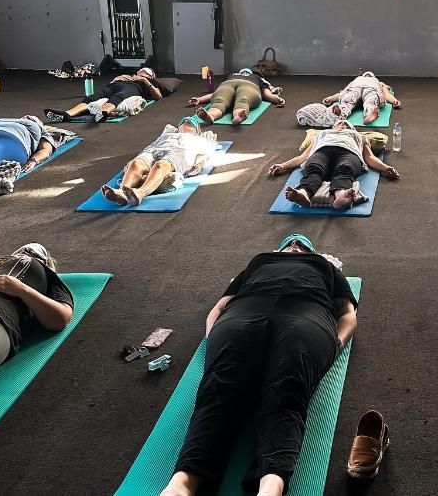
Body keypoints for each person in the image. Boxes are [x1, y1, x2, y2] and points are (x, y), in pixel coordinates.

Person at [159, 234, 358, 496]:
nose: (296, 244)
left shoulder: (324, 266)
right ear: (281, 248)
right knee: (218, 390)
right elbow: (219, 306)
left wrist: (336, 343)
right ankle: (181, 484)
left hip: (306, 315)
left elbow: (347, 314)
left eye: (302, 244)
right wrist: (213, 335)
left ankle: (270, 486)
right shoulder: (259, 261)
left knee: (286, 393)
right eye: (291, 242)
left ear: (312, 252)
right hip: (244, 314)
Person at [0, 243, 73, 430]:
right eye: (22, 249)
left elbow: (60, 318)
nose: (25, 251)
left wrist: (21, 289)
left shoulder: (44, 275)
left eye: (34, 252)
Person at [267, 120, 399, 210]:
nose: (343, 125)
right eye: (339, 123)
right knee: (313, 168)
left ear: (351, 129)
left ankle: (341, 196)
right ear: (333, 127)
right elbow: (303, 157)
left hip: (349, 153)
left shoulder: (358, 135)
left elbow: (369, 157)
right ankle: (303, 193)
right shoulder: (322, 134)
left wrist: (385, 167)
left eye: (346, 124)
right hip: (322, 152)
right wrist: (283, 166)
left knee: (345, 169)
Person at [101, 117, 219, 207]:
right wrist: (134, 159)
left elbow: (206, 153)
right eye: (184, 120)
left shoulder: (200, 138)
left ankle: (140, 193)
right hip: (156, 149)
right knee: (136, 164)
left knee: (160, 165)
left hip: (180, 152)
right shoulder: (167, 134)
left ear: (197, 130)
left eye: (191, 122)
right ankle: (122, 192)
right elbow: (152, 145)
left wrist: (199, 164)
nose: (187, 120)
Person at [0, 116, 71, 205]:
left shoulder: (40, 130)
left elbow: (46, 150)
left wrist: (33, 160)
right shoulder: (2, 120)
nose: (29, 116)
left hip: (11, 140)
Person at [45, 67, 162, 123]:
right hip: (115, 85)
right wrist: (116, 79)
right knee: (92, 97)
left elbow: (158, 96)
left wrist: (145, 81)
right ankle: (66, 114)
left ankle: (103, 113)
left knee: (118, 97)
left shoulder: (149, 82)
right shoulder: (127, 76)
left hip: (131, 88)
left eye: (145, 72)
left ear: (150, 75)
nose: (141, 72)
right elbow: (111, 85)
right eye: (140, 71)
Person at [188, 68, 285, 125]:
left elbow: (214, 95)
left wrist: (199, 100)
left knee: (219, 101)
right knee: (243, 100)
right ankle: (238, 115)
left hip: (228, 84)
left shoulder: (232, 75)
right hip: (249, 86)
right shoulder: (258, 78)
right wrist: (277, 99)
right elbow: (267, 94)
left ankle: (212, 115)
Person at [321, 72, 401, 125]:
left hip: (371, 89)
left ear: (373, 77)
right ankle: (340, 114)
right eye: (366, 74)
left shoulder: (379, 83)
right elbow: (343, 93)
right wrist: (330, 98)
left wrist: (394, 101)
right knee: (348, 98)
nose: (367, 75)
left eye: (370, 75)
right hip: (355, 89)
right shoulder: (355, 81)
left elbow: (386, 94)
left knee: (371, 99)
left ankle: (369, 115)